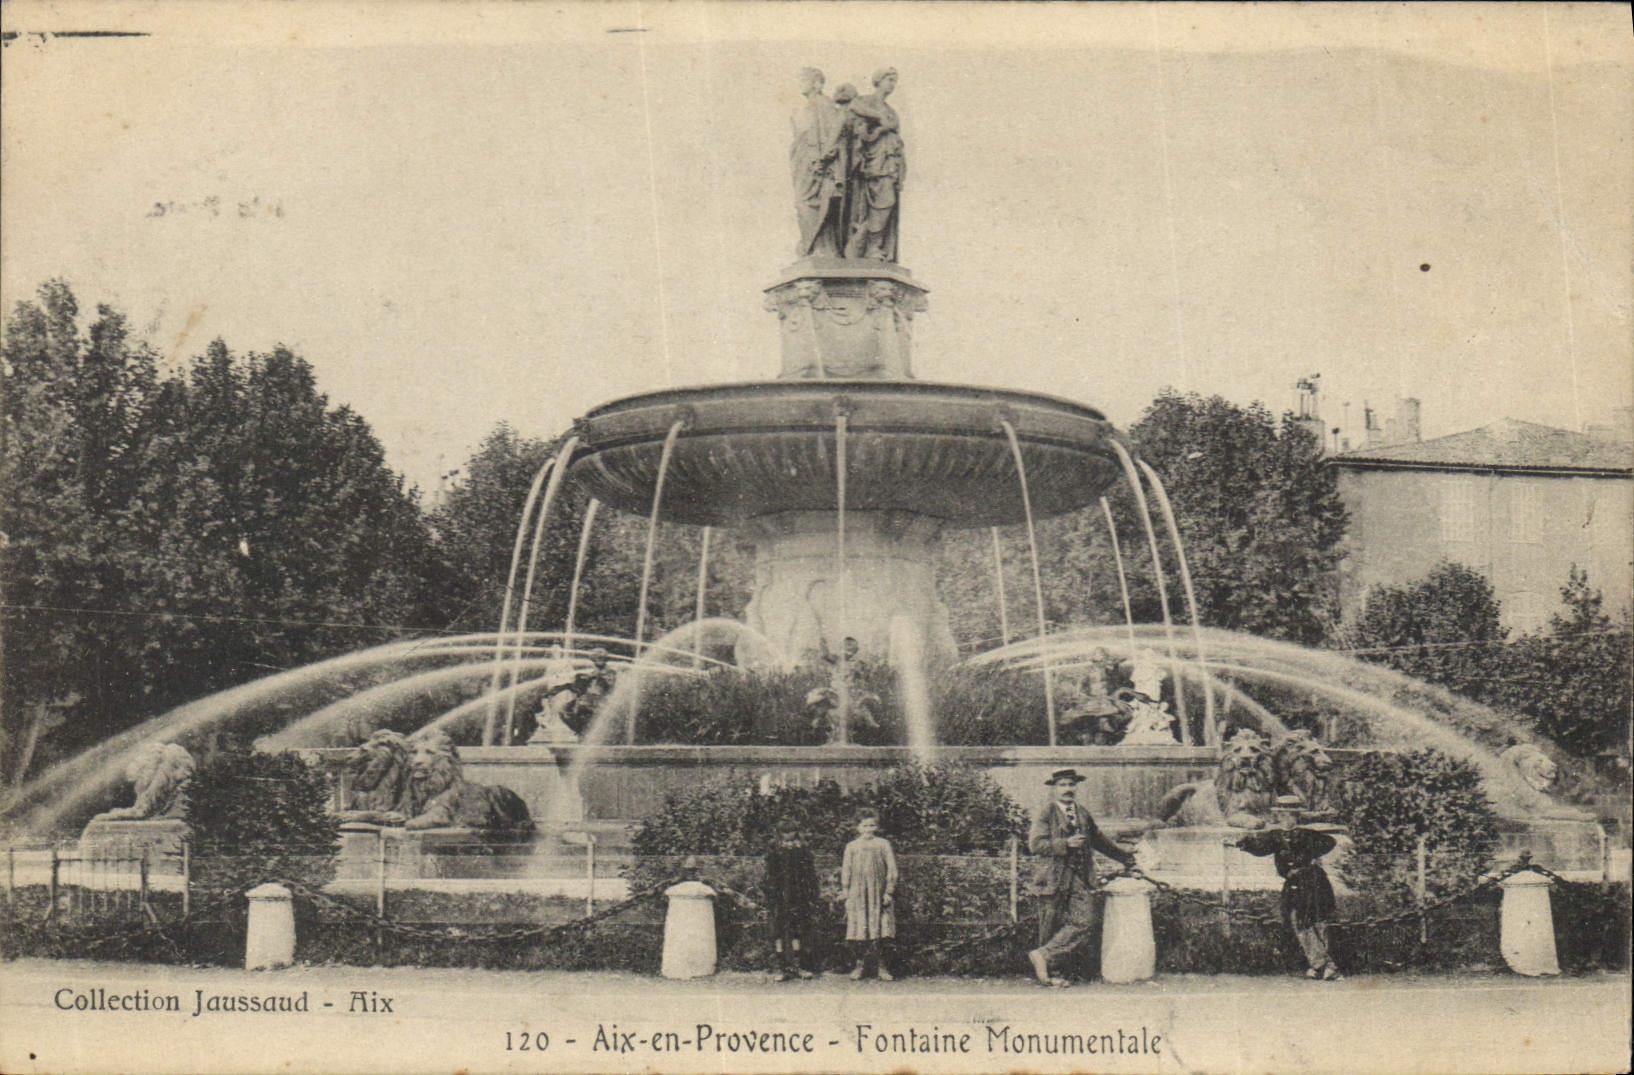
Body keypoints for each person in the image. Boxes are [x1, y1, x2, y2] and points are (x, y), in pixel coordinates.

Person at [1027, 768, 1137, 986]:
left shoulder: (1082, 813)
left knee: (1084, 922)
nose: (1068, 789)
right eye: (1063, 785)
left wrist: (1125, 858)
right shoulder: (1046, 813)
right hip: (1053, 877)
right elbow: (1035, 845)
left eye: (1071, 784)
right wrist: (1064, 844)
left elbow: (1099, 840)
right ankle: (1050, 975)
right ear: (1054, 789)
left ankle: (1044, 955)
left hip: (1079, 877)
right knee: (1051, 923)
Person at [1235, 796, 1343, 981]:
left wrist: (1307, 852)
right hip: (1294, 883)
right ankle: (1323, 965)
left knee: (1317, 922)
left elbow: (1329, 842)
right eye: (1281, 815)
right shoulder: (1275, 836)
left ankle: (1320, 966)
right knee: (1298, 920)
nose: (1285, 819)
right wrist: (1244, 843)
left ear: (1296, 816)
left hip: (1312, 880)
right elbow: (1261, 847)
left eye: (1289, 815)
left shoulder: (1306, 834)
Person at [843, 68, 905, 262]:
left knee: (886, 204)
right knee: (881, 203)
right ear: (878, 80)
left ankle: (874, 246)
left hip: (890, 162)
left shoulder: (891, 110)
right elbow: (853, 108)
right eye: (889, 79)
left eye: (894, 81)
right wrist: (878, 120)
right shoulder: (867, 101)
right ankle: (870, 247)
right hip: (873, 163)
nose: (892, 84)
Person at [789, 67, 848, 258]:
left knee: (809, 202)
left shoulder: (824, 104)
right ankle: (812, 246)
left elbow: (836, 131)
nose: (800, 83)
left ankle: (821, 247)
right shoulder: (805, 108)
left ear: (817, 83)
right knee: (803, 203)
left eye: (804, 79)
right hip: (802, 162)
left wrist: (824, 157)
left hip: (816, 163)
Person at [840, 808, 898, 980]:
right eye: (865, 826)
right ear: (858, 828)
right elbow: (846, 870)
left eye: (872, 825)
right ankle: (860, 965)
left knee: (880, 928)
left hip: (877, 893)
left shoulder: (883, 844)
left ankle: (881, 967)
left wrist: (888, 891)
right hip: (858, 894)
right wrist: (846, 892)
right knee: (859, 927)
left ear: (877, 826)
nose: (869, 829)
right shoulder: (852, 847)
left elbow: (892, 869)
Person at [764, 820, 820, 981]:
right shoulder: (773, 854)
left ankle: (799, 966)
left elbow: (811, 876)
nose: (789, 844)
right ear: (779, 839)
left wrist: (811, 894)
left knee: (799, 931)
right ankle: (782, 968)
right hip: (780, 899)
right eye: (785, 840)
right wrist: (771, 896)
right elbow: (769, 877)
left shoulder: (803, 853)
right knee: (780, 933)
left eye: (792, 840)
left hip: (799, 898)